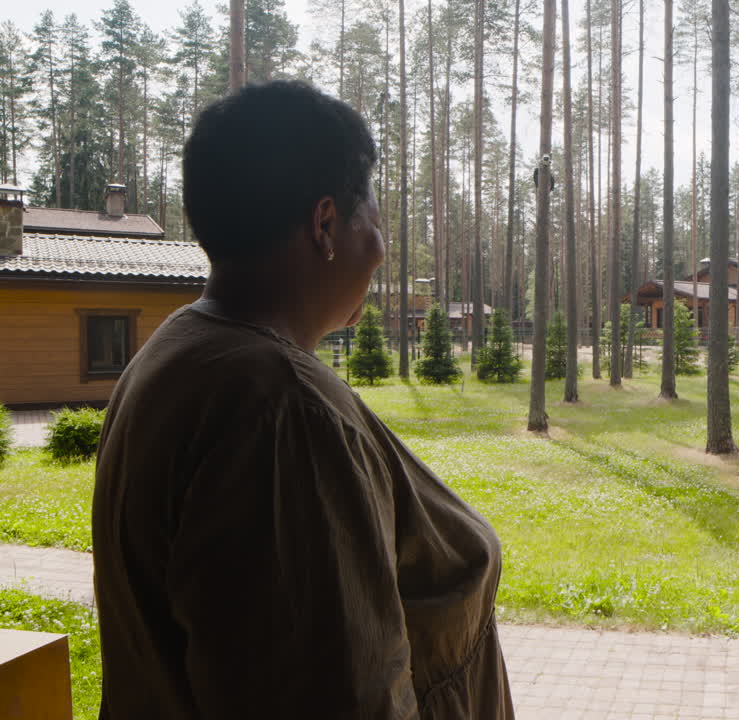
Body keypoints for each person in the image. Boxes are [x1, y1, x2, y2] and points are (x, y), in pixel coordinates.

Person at [92, 82, 514, 719]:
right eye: (374, 218)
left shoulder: (177, 351)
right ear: (325, 224)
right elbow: (343, 694)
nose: (381, 247)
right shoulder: (285, 411)